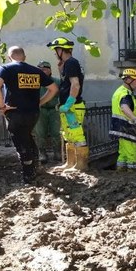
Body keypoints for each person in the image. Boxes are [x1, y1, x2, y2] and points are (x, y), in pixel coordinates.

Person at [0, 46, 59, 184]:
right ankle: (35, 166)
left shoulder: (5, 68)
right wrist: (40, 102)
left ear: (9, 57)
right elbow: (53, 88)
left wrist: (1, 106)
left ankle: (28, 176)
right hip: (33, 113)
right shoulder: (35, 71)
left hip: (15, 113)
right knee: (27, 137)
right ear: (25, 57)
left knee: (21, 143)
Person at [46, 37, 88, 172]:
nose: (54, 53)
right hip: (68, 106)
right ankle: (70, 164)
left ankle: (80, 165)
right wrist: (60, 69)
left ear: (61, 50)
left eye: (55, 50)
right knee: (68, 135)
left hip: (73, 107)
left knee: (77, 135)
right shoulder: (68, 64)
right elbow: (67, 84)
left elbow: (75, 84)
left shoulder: (71, 63)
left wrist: (69, 103)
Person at [109, 68, 136, 172]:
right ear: (128, 80)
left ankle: (121, 176)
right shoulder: (125, 94)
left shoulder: (124, 92)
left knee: (124, 155)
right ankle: (133, 179)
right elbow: (124, 107)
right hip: (127, 130)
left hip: (123, 130)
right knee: (133, 155)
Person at [34, 61, 61, 163]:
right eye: (40, 69)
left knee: (56, 132)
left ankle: (57, 152)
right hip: (41, 110)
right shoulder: (35, 83)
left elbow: (62, 95)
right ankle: (42, 153)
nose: (42, 71)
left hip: (54, 110)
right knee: (40, 132)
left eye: (45, 69)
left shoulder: (57, 82)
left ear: (50, 70)